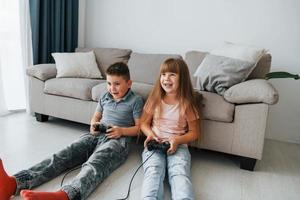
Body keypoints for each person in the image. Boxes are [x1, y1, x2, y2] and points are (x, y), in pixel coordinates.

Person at [0, 62, 144, 200]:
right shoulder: (105, 97)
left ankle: (65, 195)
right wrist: (93, 124)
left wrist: (122, 131)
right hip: (97, 134)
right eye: (109, 83)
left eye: (117, 84)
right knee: (65, 154)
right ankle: (13, 183)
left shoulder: (135, 100)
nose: (112, 88)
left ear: (129, 83)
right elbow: (96, 117)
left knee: (95, 163)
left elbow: (139, 129)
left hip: (118, 140)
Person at [140, 58, 201, 200]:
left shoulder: (187, 104)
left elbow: (195, 132)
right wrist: (150, 135)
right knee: (153, 171)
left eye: (172, 74)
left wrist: (177, 140)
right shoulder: (155, 99)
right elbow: (143, 123)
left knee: (179, 173)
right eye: (163, 74)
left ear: (183, 78)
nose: (166, 78)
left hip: (178, 146)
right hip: (155, 144)